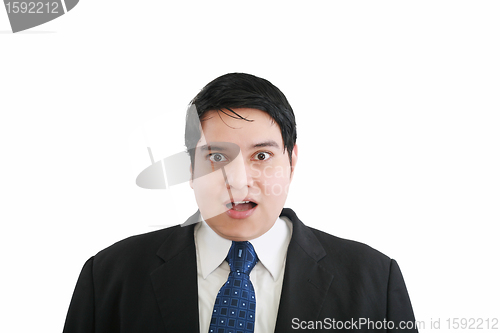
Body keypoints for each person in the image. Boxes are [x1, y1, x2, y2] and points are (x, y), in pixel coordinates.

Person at [63, 73, 418, 332]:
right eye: (216, 158)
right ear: (191, 169)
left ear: (291, 162)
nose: (238, 180)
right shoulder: (109, 277)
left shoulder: (374, 281)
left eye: (261, 156)